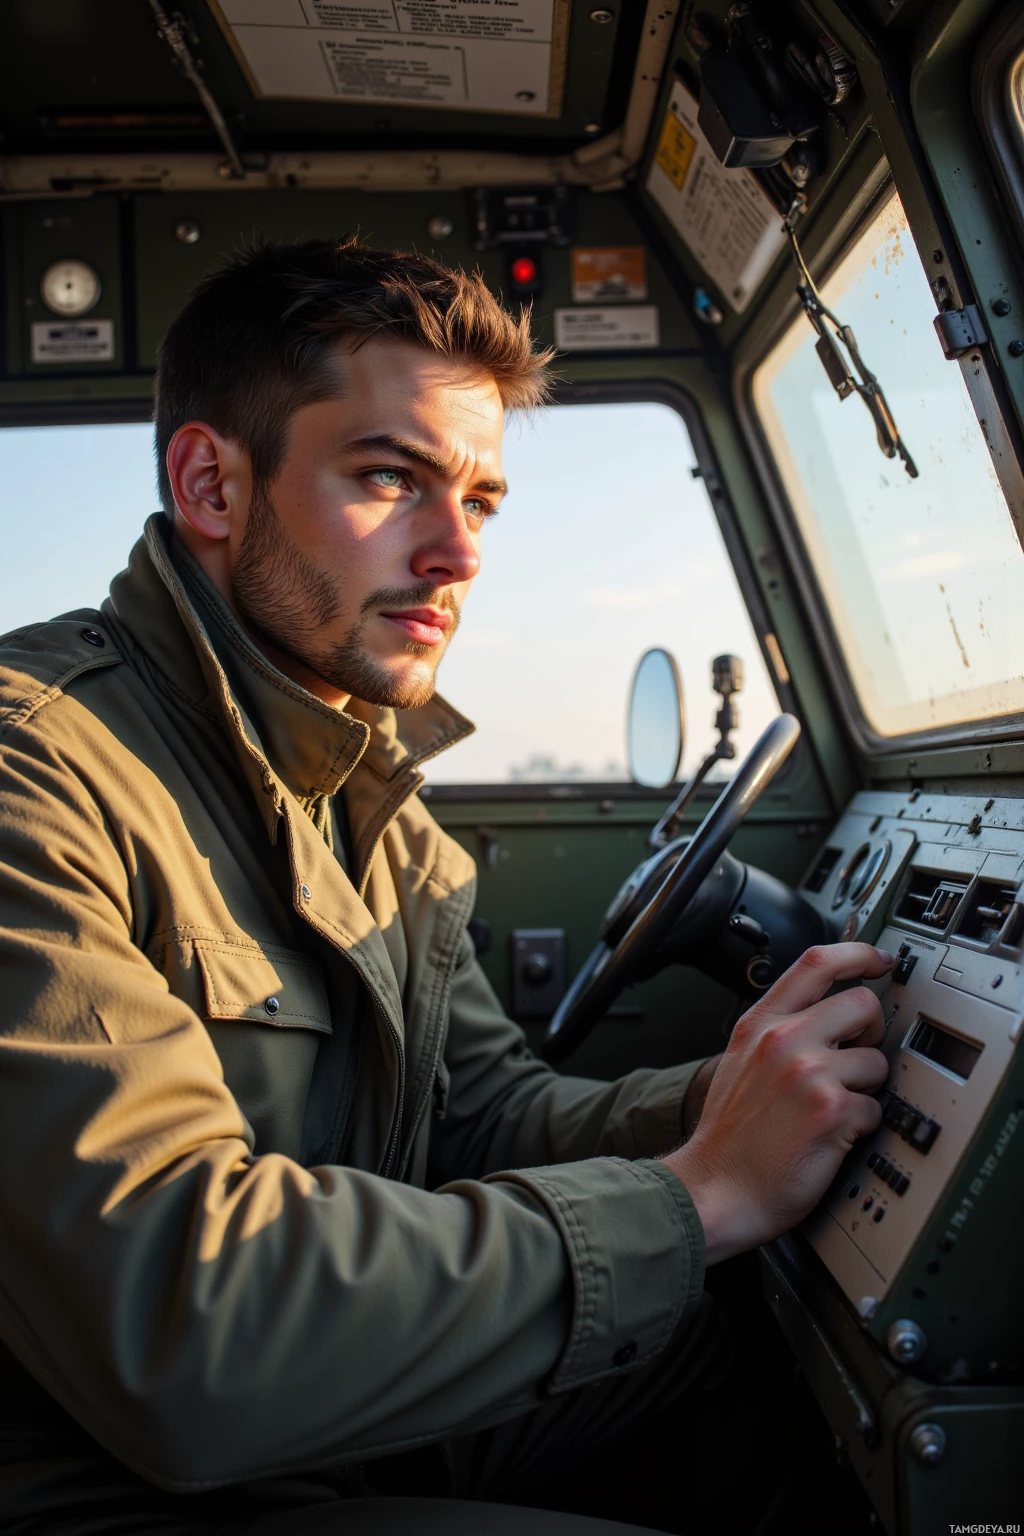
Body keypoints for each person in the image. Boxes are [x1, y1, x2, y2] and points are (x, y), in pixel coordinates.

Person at [0, 239, 891, 1536]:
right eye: (389, 479)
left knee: (733, 1358)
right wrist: (702, 1195)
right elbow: (180, 1331)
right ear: (212, 483)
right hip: (121, 1485)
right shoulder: (43, 767)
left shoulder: (373, 799)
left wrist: (732, 1103)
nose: (458, 553)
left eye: (478, 500)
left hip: (318, 1428)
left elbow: (476, 1124)